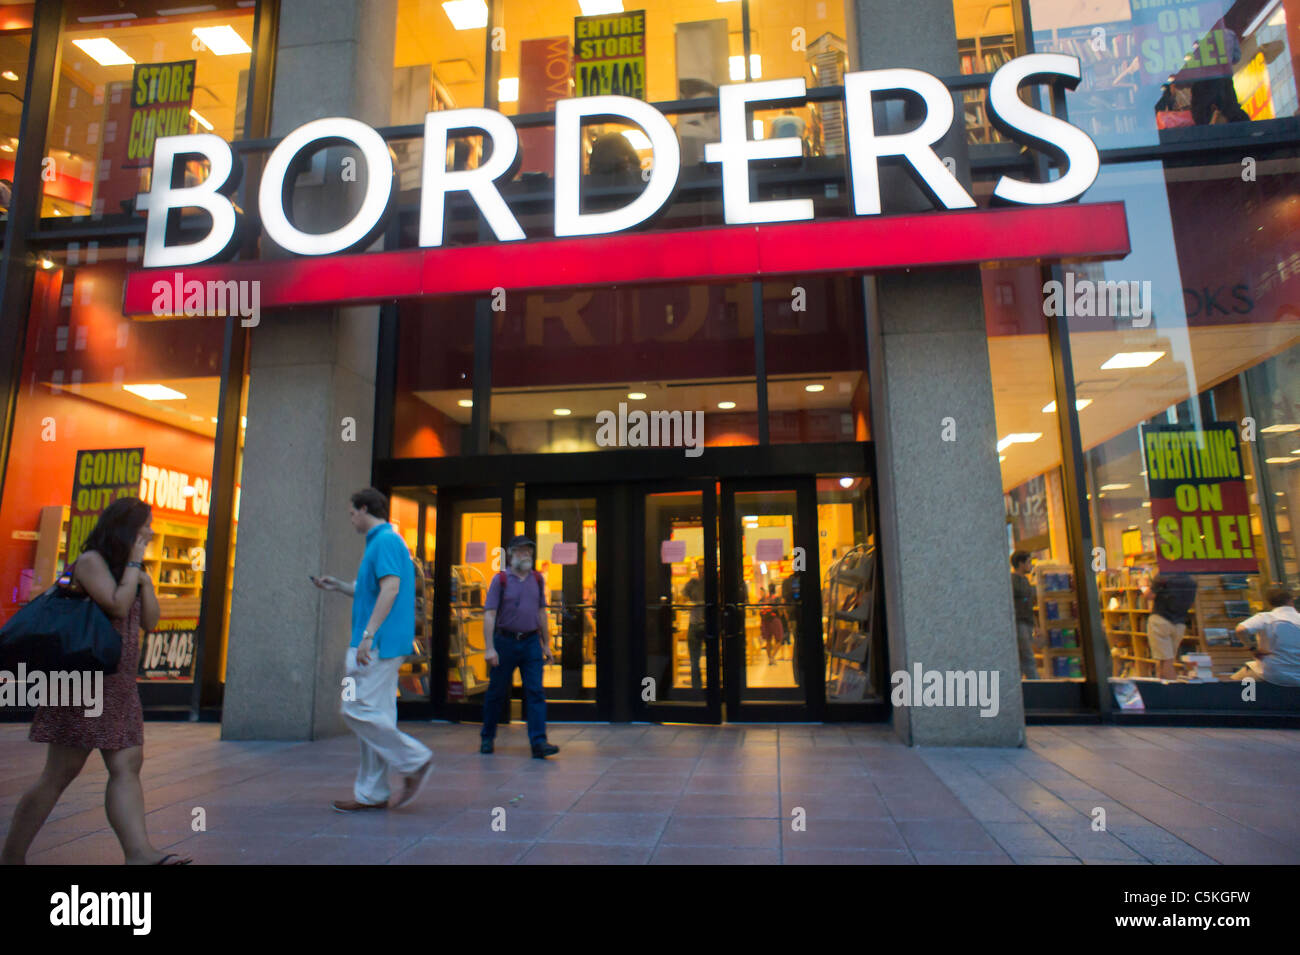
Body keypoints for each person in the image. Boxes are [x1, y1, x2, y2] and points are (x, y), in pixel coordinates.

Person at [3, 498, 191, 865]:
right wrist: (134, 568)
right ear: (125, 529)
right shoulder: (91, 562)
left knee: (126, 764)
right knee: (58, 774)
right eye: (144, 527)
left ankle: (139, 853)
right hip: (84, 681)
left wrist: (145, 581)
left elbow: (150, 621)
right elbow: (116, 606)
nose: (150, 532)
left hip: (118, 684)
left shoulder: (129, 571)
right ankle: (12, 854)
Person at [313, 488, 433, 812]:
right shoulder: (383, 543)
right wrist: (338, 585)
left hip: (377, 646)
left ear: (365, 509)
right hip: (381, 644)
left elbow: (391, 588)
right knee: (376, 718)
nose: (351, 518)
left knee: (353, 708)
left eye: (352, 512)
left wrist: (368, 635)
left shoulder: (385, 542)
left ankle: (415, 760)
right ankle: (372, 793)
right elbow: (373, 591)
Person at [480, 535, 559, 758]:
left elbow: (542, 612)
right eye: (520, 551)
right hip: (504, 642)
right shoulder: (501, 580)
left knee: (535, 692)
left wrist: (547, 645)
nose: (525, 555)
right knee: (496, 692)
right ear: (511, 554)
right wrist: (489, 648)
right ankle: (487, 737)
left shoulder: (537, 579)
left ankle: (539, 742)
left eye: (528, 551)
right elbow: (490, 614)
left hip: (531, 642)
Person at [1231, 584, 1300, 686]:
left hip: (1271, 674)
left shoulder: (1266, 617)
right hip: (1298, 675)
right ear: (1291, 601)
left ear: (1270, 603)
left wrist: (1253, 648)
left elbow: (1240, 630)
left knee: (1232, 682)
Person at [1142, 570, 1198, 681]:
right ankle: (1162, 689)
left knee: (1166, 662)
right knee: (1165, 660)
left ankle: (1173, 690)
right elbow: (1191, 603)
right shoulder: (1191, 581)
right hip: (1179, 624)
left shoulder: (1163, 576)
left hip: (1160, 619)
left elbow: (1148, 595)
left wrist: (1145, 588)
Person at [1010, 550, 1038, 679]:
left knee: (1022, 656)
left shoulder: (1025, 580)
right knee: (1027, 655)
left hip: (1026, 622)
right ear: (1021, 563)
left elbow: (1028, 604)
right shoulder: (1013, 581)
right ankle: (1035, 682)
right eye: (1028, 562)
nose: (1030, 565)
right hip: (1019, 622)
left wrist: (1035, 624)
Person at [682, 559, 707, 689]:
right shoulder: (692, 583)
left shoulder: (715, 583)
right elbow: (682, 598)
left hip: (710, 623)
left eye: (703, 566)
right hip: (694, 622)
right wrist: (688, 603)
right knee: (694, 658)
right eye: (699, 566)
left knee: (713, 657)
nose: (701, 569)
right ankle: (696, 686)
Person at [759, 583, 786, 665]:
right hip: (775, 620)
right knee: (779, 639)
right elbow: (780, 611)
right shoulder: (777, 598)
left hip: (764, 621)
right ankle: (772, 657)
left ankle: (769, 658)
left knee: (768, 640)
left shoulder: (764, 599)